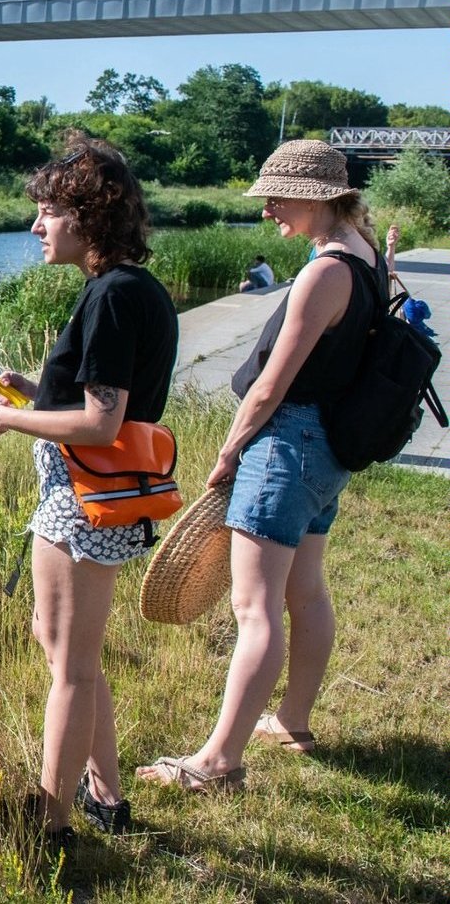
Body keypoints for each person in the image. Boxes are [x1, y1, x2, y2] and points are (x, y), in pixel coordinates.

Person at [137, 139, 380, 793]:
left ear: (316, 195)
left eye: (276, 196)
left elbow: (272, 384)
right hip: (328, 450)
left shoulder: (324, 272)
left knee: (254, 606)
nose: (269, 210)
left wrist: (229, 449)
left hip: (287, 446)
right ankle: (292, 722)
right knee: (306, 590)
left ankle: (218, 763)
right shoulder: (366, 254)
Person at [0, 136, 178, 846]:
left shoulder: (113, 295)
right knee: (55, 641)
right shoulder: (128, 289)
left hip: (84, 496)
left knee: (73, 668)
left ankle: (51, 823)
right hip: (91, 493)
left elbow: (101, 418)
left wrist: (7, 417)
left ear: (89, 215)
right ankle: (105, 794)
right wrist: (32, 386)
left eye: (49, 211)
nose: (36, 227)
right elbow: (97, 394)